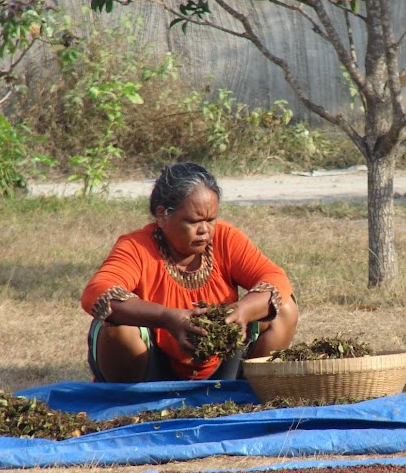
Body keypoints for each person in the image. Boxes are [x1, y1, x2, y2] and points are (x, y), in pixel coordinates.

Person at [81, 162, 299, 382]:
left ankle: (250, 390)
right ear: (162, 216)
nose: (204, 230)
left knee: (284, 308)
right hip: (150, 369)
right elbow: (98, 293)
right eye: (193, 221)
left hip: (222, 366)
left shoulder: (225, 239)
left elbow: (275, 278)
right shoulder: (137, 247)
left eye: (210, 220)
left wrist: (243, 311)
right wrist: (168, 319)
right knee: (116, 326)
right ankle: (132, 403)